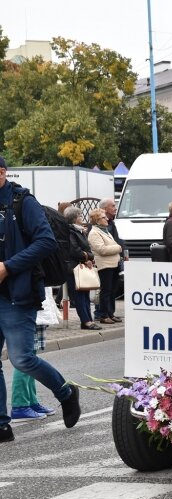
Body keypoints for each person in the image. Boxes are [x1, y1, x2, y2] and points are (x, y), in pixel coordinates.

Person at [0, 155, 81, 442]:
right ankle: (1, 424)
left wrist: (8, 266)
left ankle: (66, 392)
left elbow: (45, 241)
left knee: (22, 359)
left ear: (2, 172)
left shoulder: (23, 202)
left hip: (16, 292)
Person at [11, 288, 59, 421]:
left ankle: (31, 402)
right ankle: (19, 405)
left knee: (30, 358)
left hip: (33, 311)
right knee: (25, 360)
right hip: (28, 311)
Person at [64, 206, 100, 330]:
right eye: (79, 215)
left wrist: (89, 257)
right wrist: (87, 257)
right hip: (74, 267)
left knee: (85, 295)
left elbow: (87, 249)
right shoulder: (69, 231)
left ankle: (88, 320)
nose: (81, 217)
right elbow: (74, 250)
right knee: (79, 296)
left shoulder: (79, 231)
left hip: (82, 265)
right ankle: (85, 321)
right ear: (74, 218)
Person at [88, 208, 122, 325]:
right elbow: (102, 250)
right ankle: (102, 315)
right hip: (105, 265)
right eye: (103, 217)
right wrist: (118, 248)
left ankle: (109, 313)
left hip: (113, 264)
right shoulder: (94, 233)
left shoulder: (105, 231)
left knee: (112, 290)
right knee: (105, 291)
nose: (106, 219)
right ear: (97, 220)